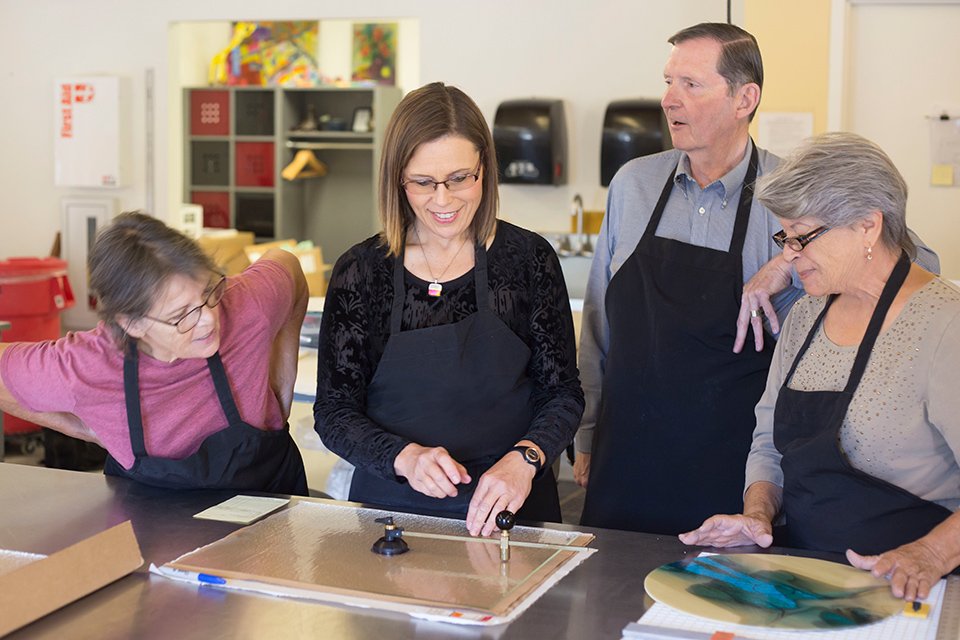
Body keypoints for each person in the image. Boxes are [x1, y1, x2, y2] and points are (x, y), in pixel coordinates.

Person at [575, 22, 939, 535]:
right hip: (624, 459)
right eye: (668, 81)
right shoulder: (633, 184)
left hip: (737, 474)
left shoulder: (792, 192)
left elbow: (918, 259)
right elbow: (598, 324)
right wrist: (586, 432)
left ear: (745, 97)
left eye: (690, 84)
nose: (668, 99)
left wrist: (785, 260)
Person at [680, 132, 960, 604]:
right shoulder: (807, 316)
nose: (788, 256)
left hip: (915, 590)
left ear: (868, 226)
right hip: (810, 586)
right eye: (783, 237)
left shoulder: (944, 325)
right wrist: (758, 514)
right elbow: (769, 440)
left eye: (803, 237)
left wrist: (930, 555)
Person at [313, 82, 583, 537]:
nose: (444, 200)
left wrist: (527, 458)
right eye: (422, 182)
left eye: (461, 178)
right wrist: (404, 457)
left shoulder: (527, 259)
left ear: (485, 168)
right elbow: (335, 411)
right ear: (397, 180)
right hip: (392, 513)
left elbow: (562, 394)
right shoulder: (361, 271)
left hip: (512, 508)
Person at [0, 212, 309, 495]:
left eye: (207, 293)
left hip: (267, 508)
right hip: (158, 534)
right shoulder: (89, 363)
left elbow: (288, 265)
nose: (207, 319)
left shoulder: (245, 304)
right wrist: (88, 428)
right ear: (132, 323)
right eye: (181, 314)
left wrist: (282, 384)